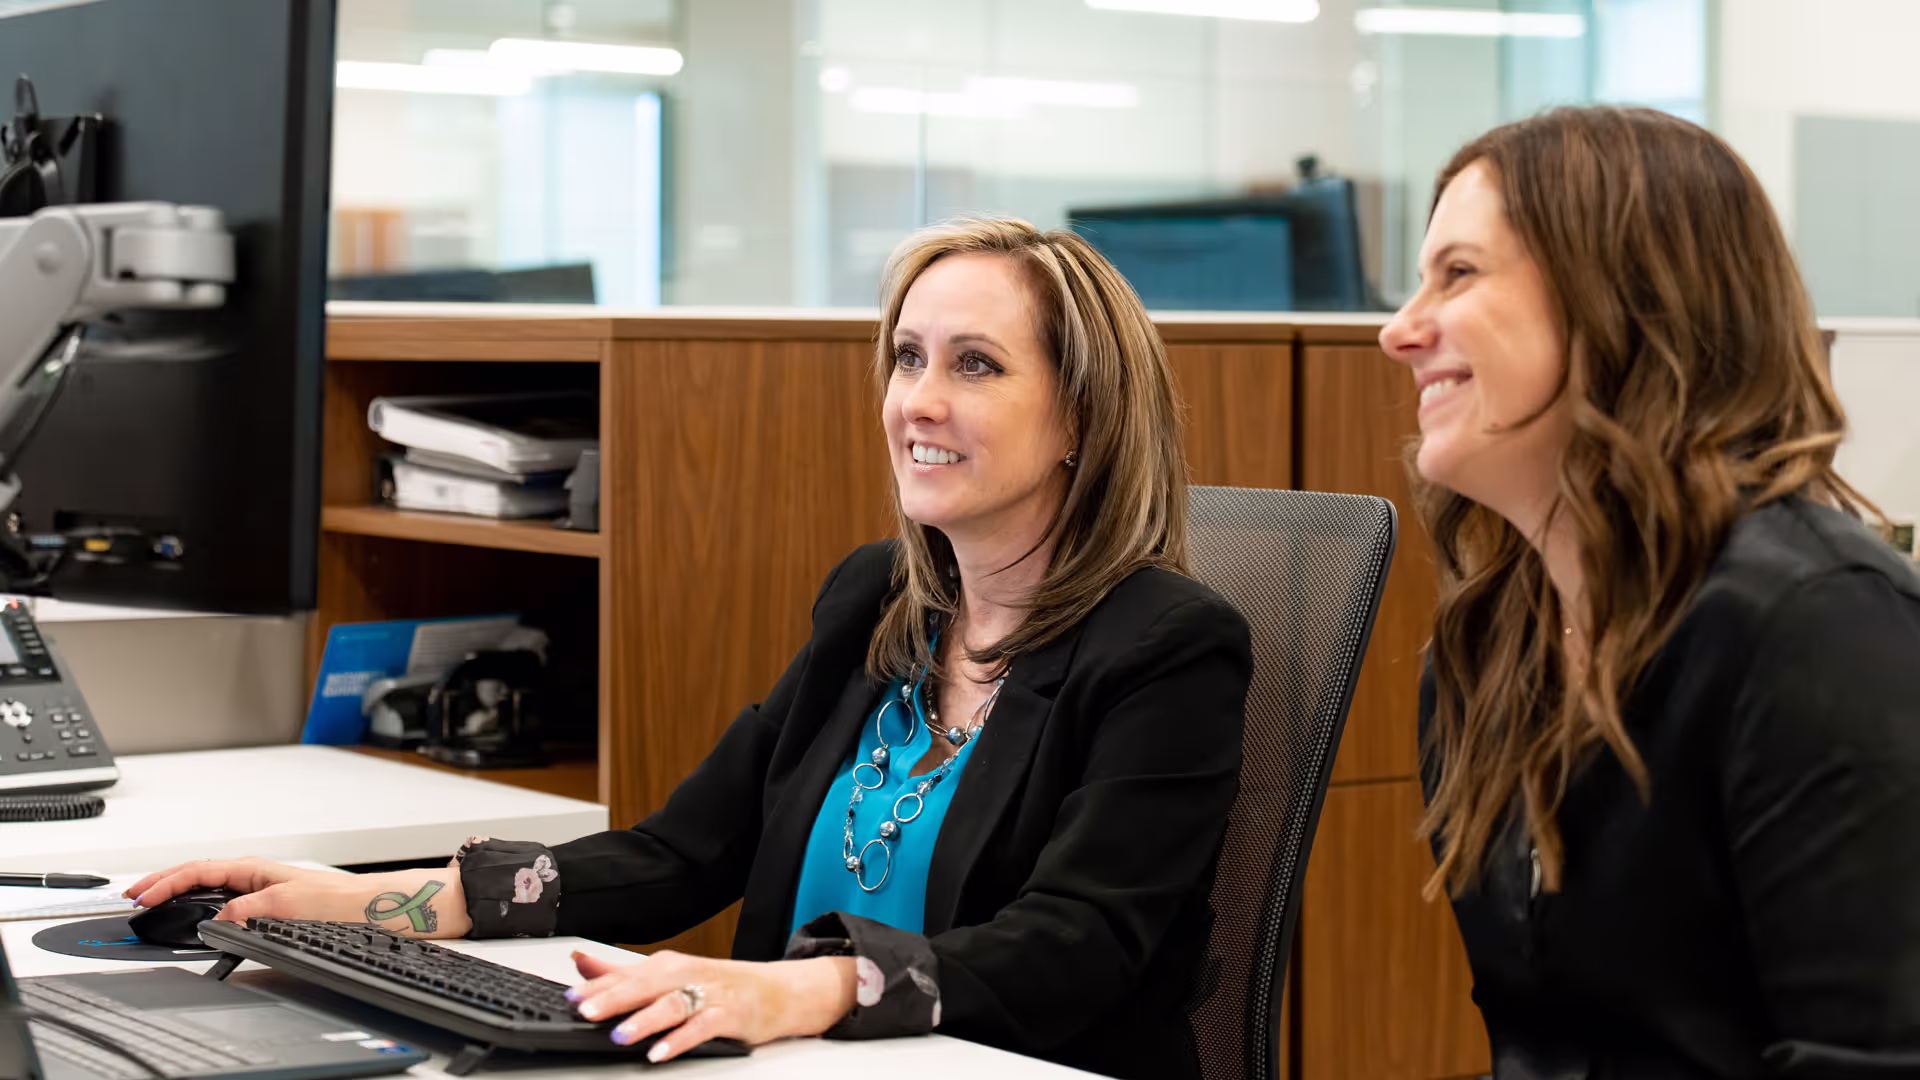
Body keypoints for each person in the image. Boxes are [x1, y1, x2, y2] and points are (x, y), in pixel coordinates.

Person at [129, 217, 1252, 1079]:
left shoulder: (1165, 647)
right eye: (907, 358)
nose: (918, 401)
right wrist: (372, 900)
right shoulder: (877, 604)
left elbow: (1079, 946)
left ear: (1083, 420)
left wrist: (800, 991)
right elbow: (684, 855)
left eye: (975, 365)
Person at [1379, 104, 1920, 1076]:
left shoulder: (1818, 629)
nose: (1399, 331)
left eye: (1457, 274)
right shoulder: (1491, 650)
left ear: (1622, 298)